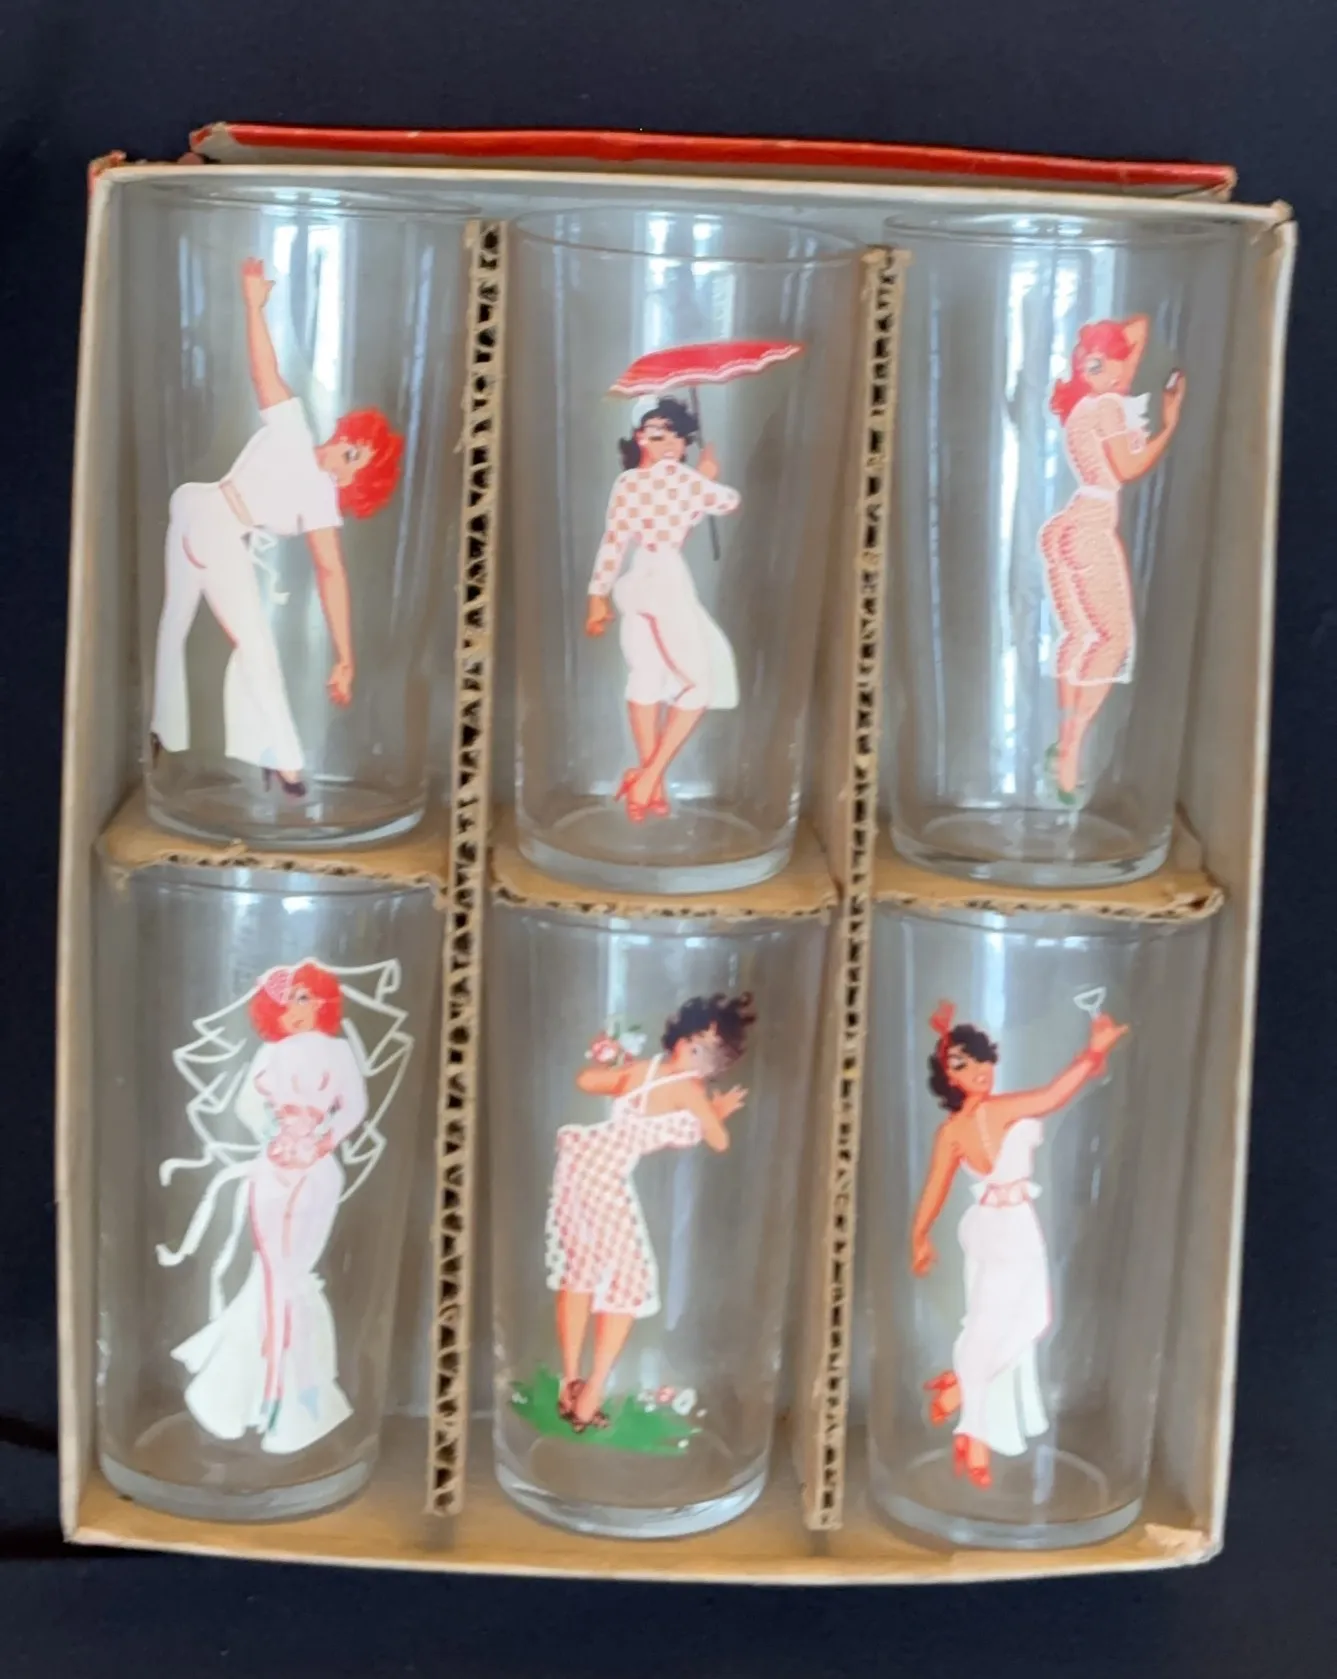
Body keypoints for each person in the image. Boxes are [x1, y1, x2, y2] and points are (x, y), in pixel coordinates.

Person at [149, 258, 404, 796]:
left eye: (355, 459)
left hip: (217, 528)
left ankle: (272, 757)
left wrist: (345, 655)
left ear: (355, 481)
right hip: (202, 509)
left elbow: (332, 573)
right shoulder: (295, 428)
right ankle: (186, 738)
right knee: (185, 626)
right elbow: (264, 373)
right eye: (351, 442)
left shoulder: (320, 498)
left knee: (246, 643)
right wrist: (253, 306)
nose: (343, 450)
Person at [909, 999, 1129, 1489]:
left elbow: (1053, 1096)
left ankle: (961, 1386)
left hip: (1004, 1223)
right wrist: (918, 1235)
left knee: (1023, 1319)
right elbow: (935, 1187)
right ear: (947, 1078)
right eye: (960, 1064)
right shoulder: (970, 1123)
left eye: (980, 1059)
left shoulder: (981, 1117)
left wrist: (1093, 1055)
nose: (978, 1070)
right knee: (1001, 1321)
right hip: (1002, 1226)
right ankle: (973, 1432)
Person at [158, 962, 370, 1454]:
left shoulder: (338, 1052)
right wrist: (274, 1135)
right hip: (272, 1169)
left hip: (316, 1170)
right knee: (271, 1272)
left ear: (322, 1003)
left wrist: (320, 1141)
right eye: (287, 1000)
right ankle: (261, 1390)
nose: (295, 1009)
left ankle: (292, 1393)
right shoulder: (269, 1054)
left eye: (304, 998)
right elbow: (246, 1106)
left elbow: (355, 1107)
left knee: (293, 1274)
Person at [544, 993, 756, 1432]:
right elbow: (719, 1142)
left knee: (582, 1270)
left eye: (707, 1049)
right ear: (681, 1037)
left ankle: (570, 1382)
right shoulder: (687, 1090)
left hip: (583, 1163)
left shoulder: (643, 1071)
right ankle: (591, 1394)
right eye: (694, 1042)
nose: (696, 1052)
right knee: (628, 1276)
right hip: (603, 1176)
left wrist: (612, 1058)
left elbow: (587, 1081)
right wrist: (713, 1113)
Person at [1038, 315, 1186, 800]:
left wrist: (1119, 351)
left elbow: (1138, 329)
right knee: (1113, 638)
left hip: (1065, 525)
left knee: (1080, 635)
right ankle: (1072, 749)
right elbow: (1128, 466)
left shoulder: (1083, 406)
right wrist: (1170, 424)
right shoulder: (1106, 407)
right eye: (1096, 364)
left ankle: (1063, 742)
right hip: (1091, 526)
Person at [584, 399, 742, 821]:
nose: (669, 443)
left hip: (636, 580)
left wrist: (598, 595)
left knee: (647, 677)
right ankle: (649, 778)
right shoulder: (682, 478)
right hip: (666, 582)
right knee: (699, 685)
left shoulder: (628, 484)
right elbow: (728, 501)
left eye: (676, 435)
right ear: (640, 438)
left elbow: (615, 541)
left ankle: (650, 789)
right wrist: (707, 474)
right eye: (657, 434)